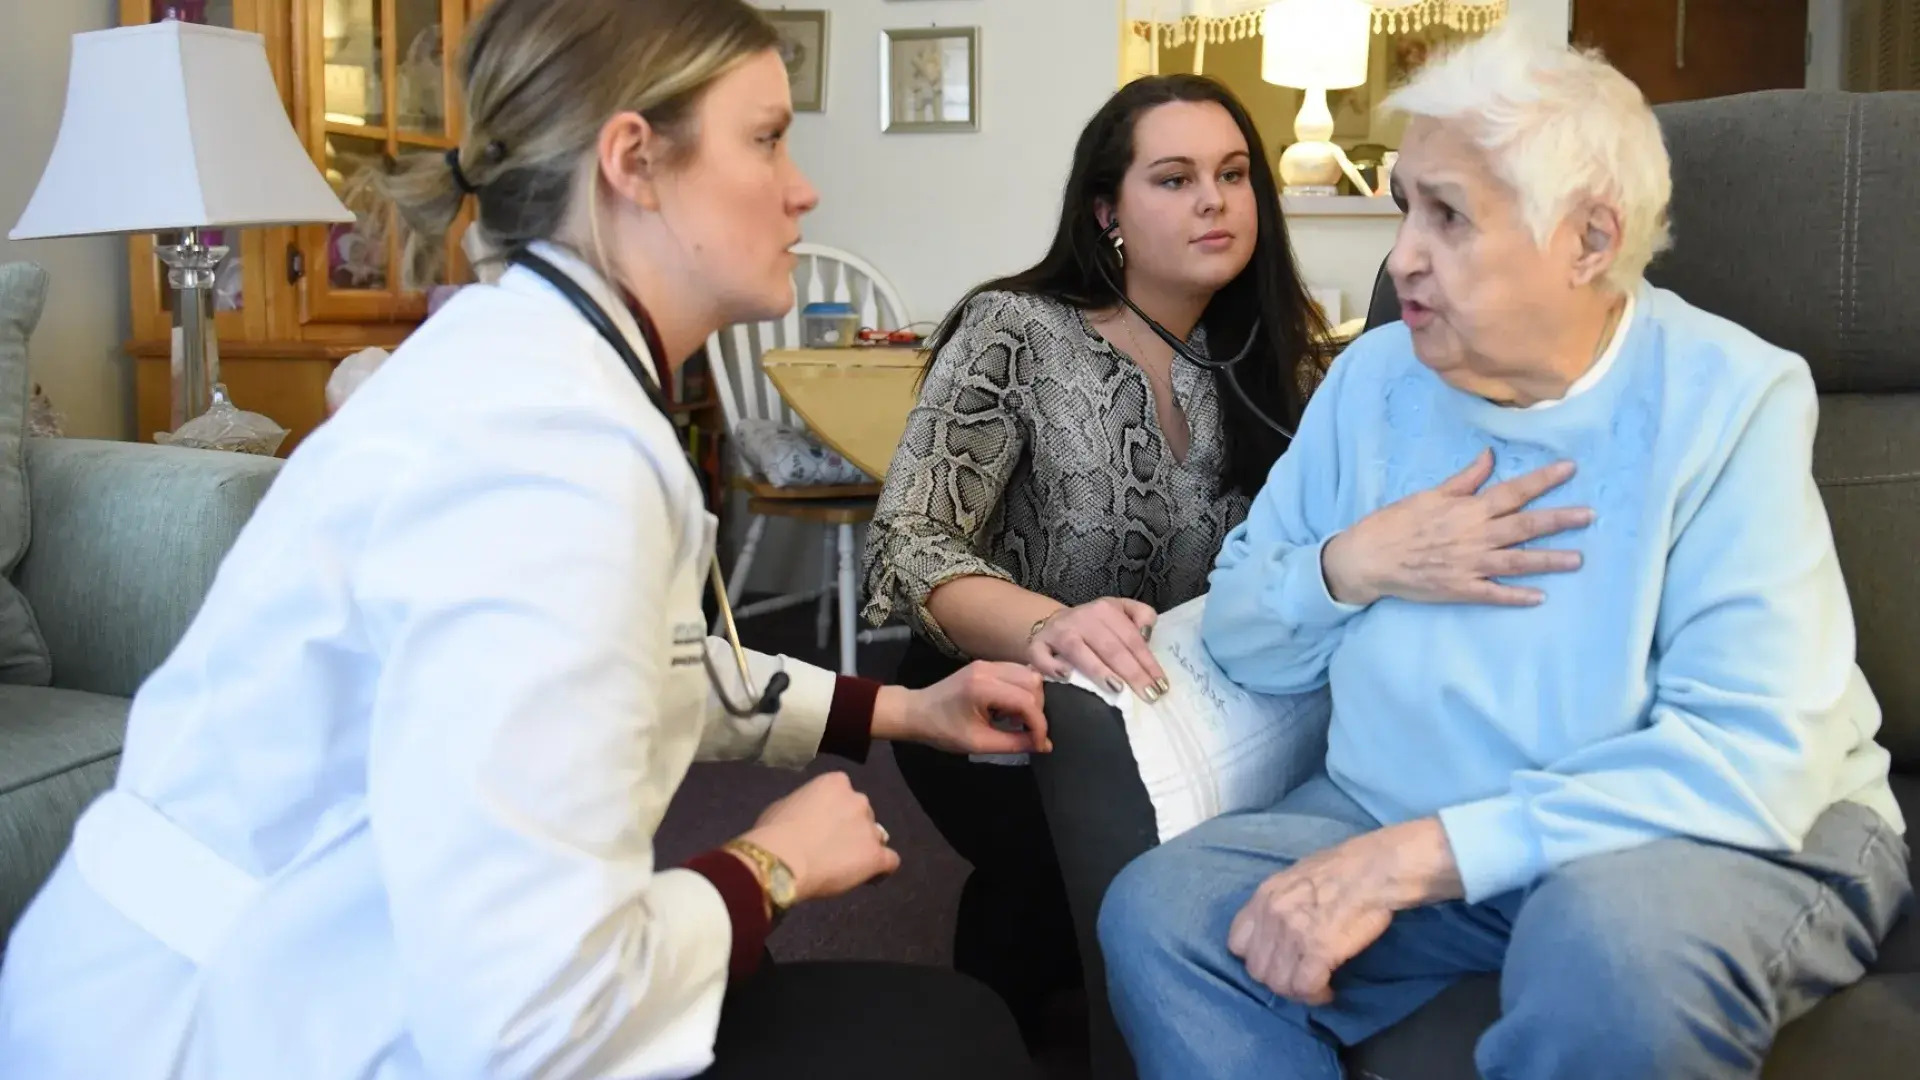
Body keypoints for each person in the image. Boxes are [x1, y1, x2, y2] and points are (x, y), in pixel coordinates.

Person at [0, 2, 1050, 1077]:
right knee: (953, 1041)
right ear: (634, 161)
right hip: (218, 1025)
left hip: (298, 965)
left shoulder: (531, 372)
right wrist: (770, 866)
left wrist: (900, 708)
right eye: (767, 138)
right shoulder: (549, 455)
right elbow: (530, 1020)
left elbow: (623, 672)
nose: (803, 187)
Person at [1098, 32, 1913, 1080]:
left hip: (1692, 837)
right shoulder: (1376, 380)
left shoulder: (1728, 398)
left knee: (1611, 955)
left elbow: (1750, 755)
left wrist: (1420, 859)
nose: (1400, 258)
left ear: (1587, 239)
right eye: (1404, 205)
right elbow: (1246, 638)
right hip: (1395, 810)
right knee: (1165, 914)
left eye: (1448, 215)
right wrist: (1352, 563)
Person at [858, 73, 1589, 1042]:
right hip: (1005, 697)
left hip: (1201, 698)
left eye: (1235, 174)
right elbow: (909, 538)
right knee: (1059, 897)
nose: (1214, 199)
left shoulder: (1279, 355)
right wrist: (1049, 623)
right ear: (1106, 210)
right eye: (1174, 178)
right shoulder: (1016, 331)